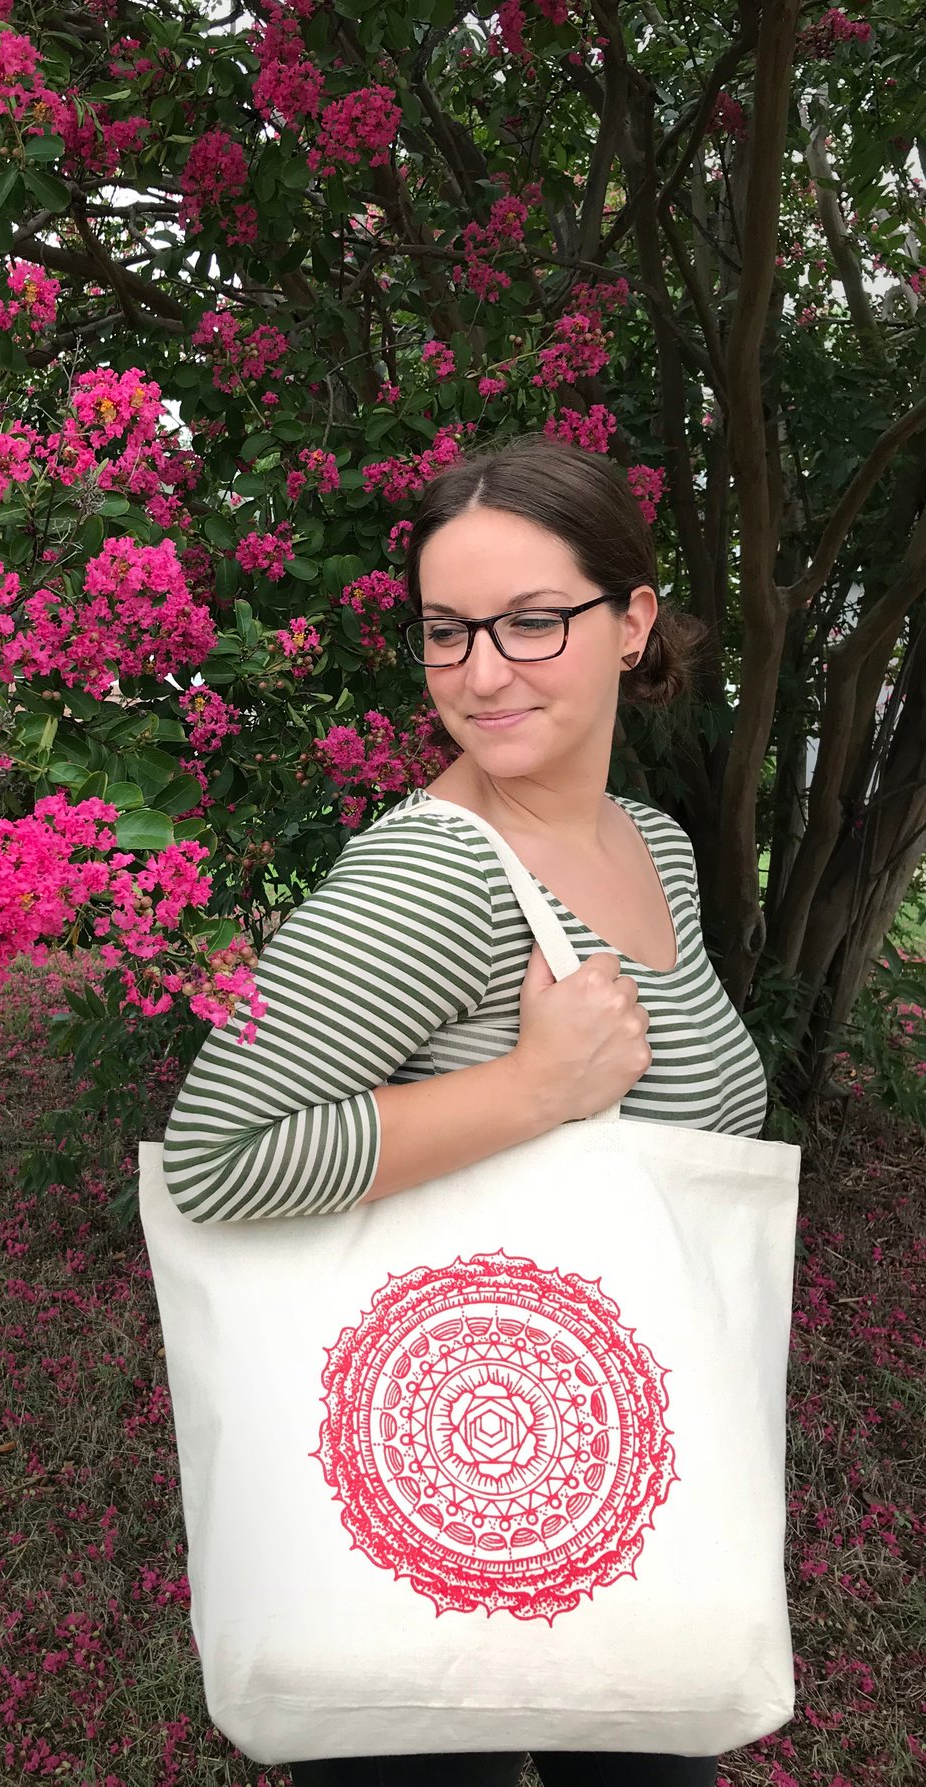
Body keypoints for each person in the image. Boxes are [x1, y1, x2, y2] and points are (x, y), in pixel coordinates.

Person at [161, 434, 768, 1785]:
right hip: (446, 1497)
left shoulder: (649, 845)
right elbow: (217, 1157)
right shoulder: (431, 879)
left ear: (632, 622)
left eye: (533, 621)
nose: (483, 674)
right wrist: (530, 1089)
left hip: (625, 1463)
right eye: (449, 633)